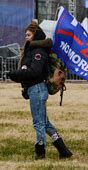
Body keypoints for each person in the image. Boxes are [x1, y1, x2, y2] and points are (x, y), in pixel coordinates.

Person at [8, 21, 72, 160]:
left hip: (37, 89)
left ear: (35, 35)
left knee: (38, 123)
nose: (26, 37)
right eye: (25, 34)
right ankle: (63, 150)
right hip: (35, 89)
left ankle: (40, 151)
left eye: (29, 35)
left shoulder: (38, 51)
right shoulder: (33, 50)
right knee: (45, 123)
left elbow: (35, 72)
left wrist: (16, 74)